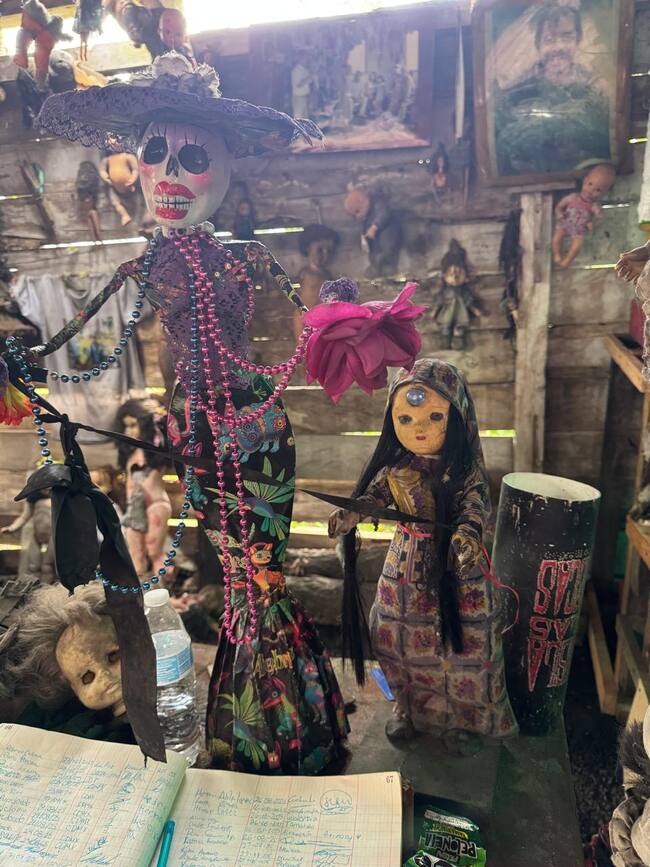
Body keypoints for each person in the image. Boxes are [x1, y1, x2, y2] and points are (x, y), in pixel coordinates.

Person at [26, 51, 348, 775]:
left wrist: (348, 315)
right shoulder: (144, 264)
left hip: (258, 429)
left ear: (224, 163)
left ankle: (292, 724)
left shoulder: (247, 256)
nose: (169, 173)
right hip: (196, 438)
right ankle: (254, 723)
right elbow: (66, 336)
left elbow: (315, 317)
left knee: (265, 575)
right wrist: (21, 361)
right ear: (136, 163)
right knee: (237, 581)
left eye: (193, 156)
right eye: (154, 153)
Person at [329, 358, 517, 740]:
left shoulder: (465, 473)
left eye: (435, 417)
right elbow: (373, 499)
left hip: (457, 571)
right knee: (394, 640)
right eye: (405, 419)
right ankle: (410, 709)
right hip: (403, 570)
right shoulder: (395, 470)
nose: (419, 428)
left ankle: (466, 720)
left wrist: (466, 537)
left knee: (465, 647)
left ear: (458, 416)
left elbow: (474, 509)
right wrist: (351, 515)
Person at [494, 3, 610, 175]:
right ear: (538, 46)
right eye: (549, 39)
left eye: (567, 37)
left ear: (578, 41)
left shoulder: (597, 89)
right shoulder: (516, 93)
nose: (558, 47)